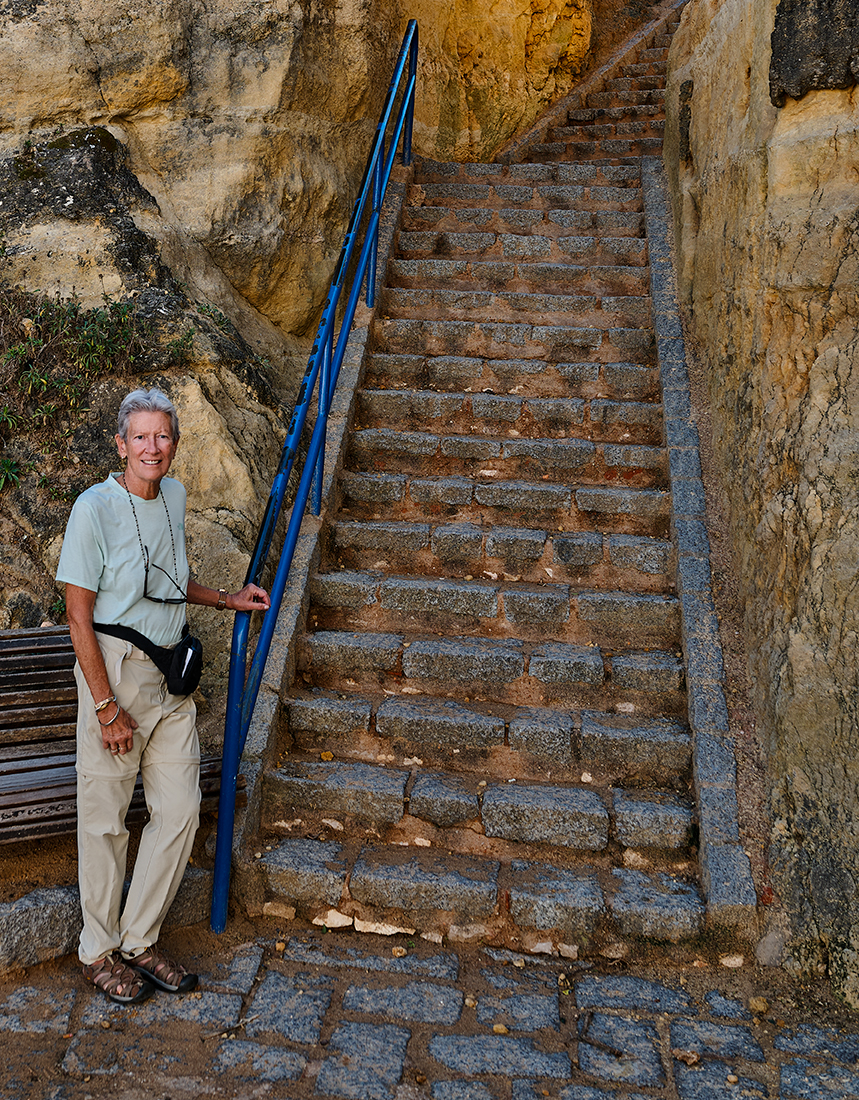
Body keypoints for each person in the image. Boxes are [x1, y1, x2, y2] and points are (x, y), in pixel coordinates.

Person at [56, 387, 271, 1005]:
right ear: (121, 445)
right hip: (115, 674)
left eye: (163, 436)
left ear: (175, 443)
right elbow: (77, 616)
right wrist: (105, 706)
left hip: (171, 677)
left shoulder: (173, 496)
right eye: (141, 437)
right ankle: (97, 951)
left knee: (179, 811)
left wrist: (227, 600)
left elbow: (170, 582)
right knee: (106, 822)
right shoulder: (93, 508)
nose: (153, 447)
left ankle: (138, 938)